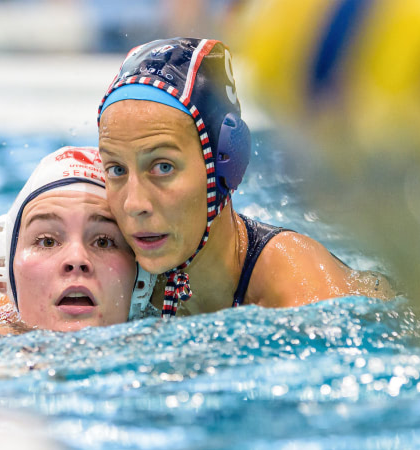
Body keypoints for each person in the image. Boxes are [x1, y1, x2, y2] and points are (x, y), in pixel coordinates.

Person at [97, 37, 394, 318]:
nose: (134, 204)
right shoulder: (110, 269)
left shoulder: (302, 292)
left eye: (163, 167)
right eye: (117, 170)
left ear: (226, 164)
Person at [0, 146, 155, 337]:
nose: (77, 260)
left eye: (103, 242)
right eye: (47, 241)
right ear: (4, 269)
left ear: (141, 274)